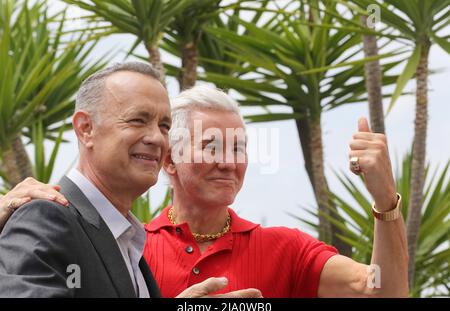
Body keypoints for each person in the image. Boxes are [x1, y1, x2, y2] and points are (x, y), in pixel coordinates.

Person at [0, 75, 409, 298]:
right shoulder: (134, 246)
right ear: (169, 159)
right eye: (212, 146)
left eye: (239, 147)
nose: (230, 161)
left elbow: (383, 292)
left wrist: (385, 200)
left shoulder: (285, 248)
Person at [0, 62, 261, 298]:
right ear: (85, 128)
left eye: (164, 126)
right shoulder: (45, 217)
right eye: (138, 120)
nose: (157, 138)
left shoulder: (128, 240)